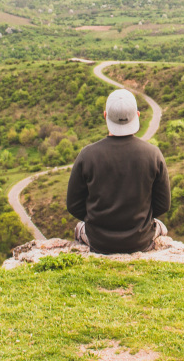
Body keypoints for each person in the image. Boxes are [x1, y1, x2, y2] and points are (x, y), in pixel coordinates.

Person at [66, 88, 170, 254]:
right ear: (137, 115)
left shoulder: (87, 155)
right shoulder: (153, 154)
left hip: (99, 240)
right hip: (140, 239)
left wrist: (97, 219)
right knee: (161, 227)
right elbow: (163, 204)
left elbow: (73, 205)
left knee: (79, 227)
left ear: (105, 116)